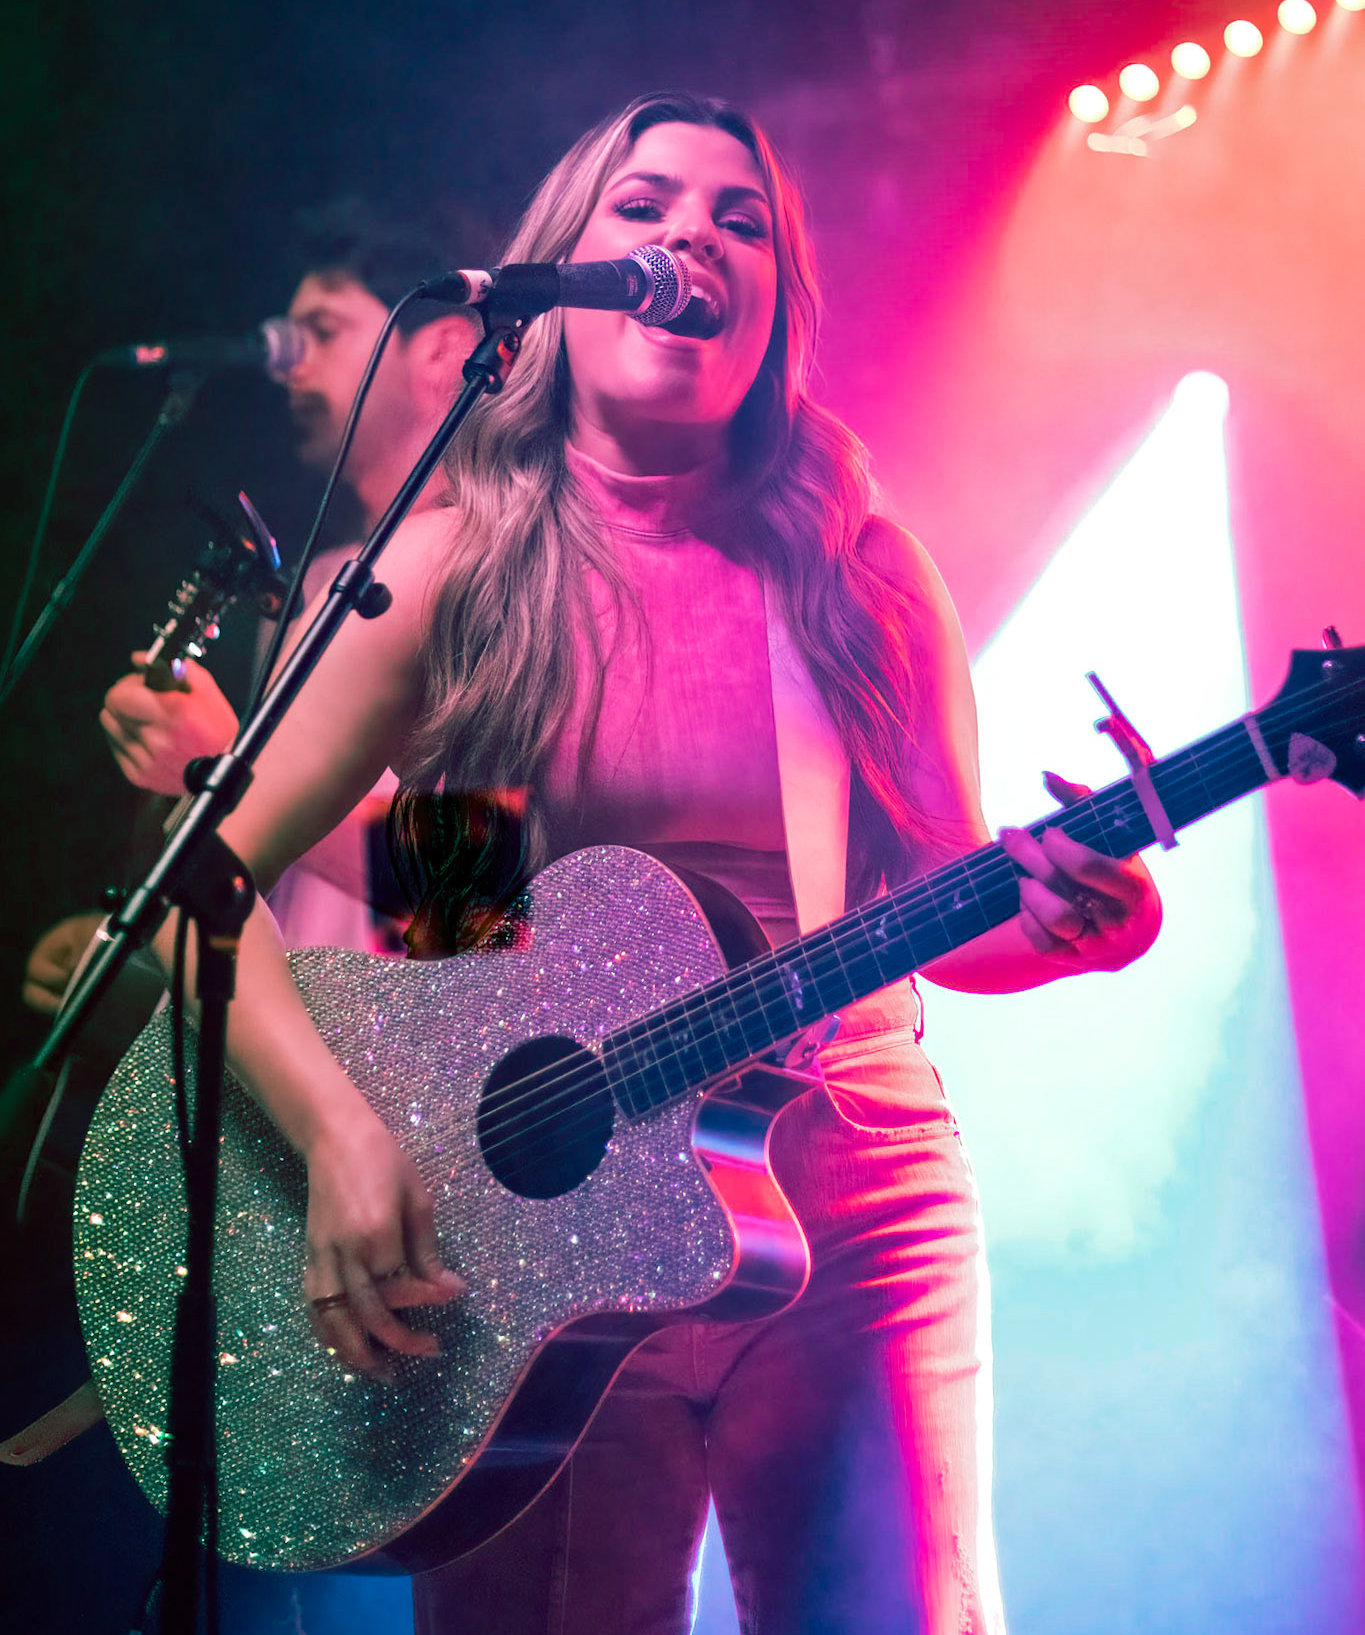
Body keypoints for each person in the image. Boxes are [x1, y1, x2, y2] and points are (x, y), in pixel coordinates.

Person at [142, 92, 1162, 1635]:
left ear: (772, 313)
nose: (690, 235)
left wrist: (1087, 920)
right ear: (555, 280)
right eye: (642, 209)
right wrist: (349, 1138)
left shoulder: (855, 565)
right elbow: (238, 898)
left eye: (737, 220)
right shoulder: (446, 569)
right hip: (553, 1234)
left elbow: (953, 914)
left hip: (851, 1199)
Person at [21, 215, 482, 1016]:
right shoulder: (320, 584)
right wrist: (121, 948)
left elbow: (488, 894)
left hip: (416, 1068)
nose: (287, 368)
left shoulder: (502, 578)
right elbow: (275, 889)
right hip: (293, 1057)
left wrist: (222, 772)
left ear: (442, 345)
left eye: (323, 332)